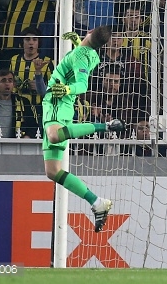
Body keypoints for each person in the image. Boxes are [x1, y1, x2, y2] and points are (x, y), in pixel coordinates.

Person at [42, 26, 126, 233]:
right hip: (59, 103)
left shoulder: (81, 54)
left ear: (89, 31)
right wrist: (79, 42)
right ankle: (97, 202)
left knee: (54, 136)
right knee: (52, 171)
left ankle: (104, 126)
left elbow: (82, 86)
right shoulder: (90, 53)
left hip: (57, 102)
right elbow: (81, 58)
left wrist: (67, 88)